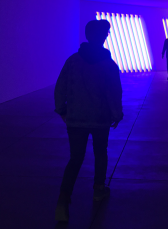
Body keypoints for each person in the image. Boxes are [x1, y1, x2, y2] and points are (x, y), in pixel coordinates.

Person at [54, 19, 123, 222]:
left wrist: (62, 110)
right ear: (102, 36)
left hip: (75, 119)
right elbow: (114, 92)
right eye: (106, 33)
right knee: (100, 153)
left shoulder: (72, 61)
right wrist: (116, 113)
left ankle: (62, 202)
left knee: (75, 159)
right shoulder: (109, 64)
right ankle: (98, 190)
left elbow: (60, 88)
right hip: (100, 119)